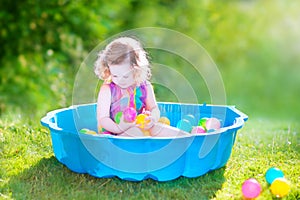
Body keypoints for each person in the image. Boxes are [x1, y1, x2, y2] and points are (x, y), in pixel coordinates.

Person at [94, 36, 188, 137]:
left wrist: (153, 118)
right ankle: (148, 149)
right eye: (115, 75)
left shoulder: (144, 87)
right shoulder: (107, 90)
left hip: (140, 126)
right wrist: (118, 128)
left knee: (164, 130)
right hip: (115, 133)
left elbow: (153, 108)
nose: (120, 80)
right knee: (135, 132)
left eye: (125, 76)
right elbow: (103, 118)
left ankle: (189, 140)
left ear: (136, 70)